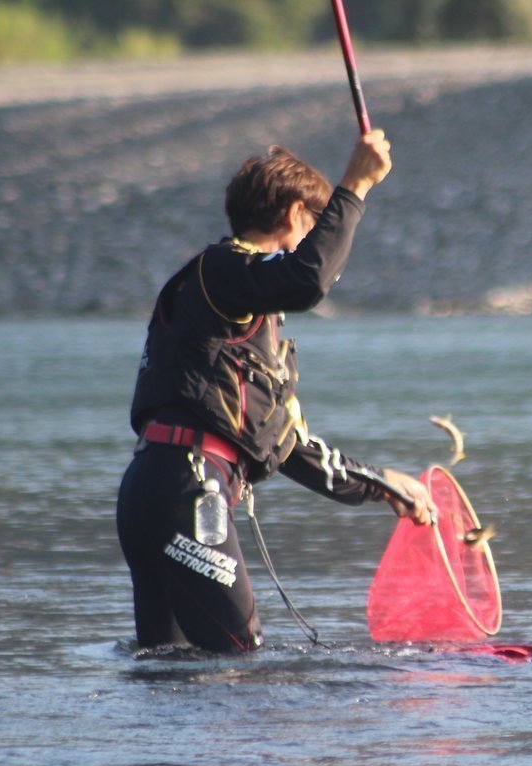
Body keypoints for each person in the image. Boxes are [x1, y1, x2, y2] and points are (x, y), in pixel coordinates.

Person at [116, 130, 437, 654]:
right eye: (312, 226)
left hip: (155, 490)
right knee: (239, 659)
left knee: (170, 670)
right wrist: (354, 186)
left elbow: (291, 450)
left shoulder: (237, 319)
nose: (315, 241)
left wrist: (384, 484)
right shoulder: (221, 271)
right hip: (187, 489)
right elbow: (307, 277)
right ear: (293, 216)